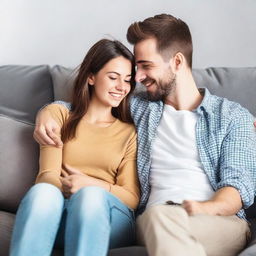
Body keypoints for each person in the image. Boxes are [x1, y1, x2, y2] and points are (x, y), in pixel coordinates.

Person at [33, 14, 256, 256]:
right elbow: (87, 106)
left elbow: (238, 185)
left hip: (218, 222)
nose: (137, 77)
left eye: (146, 66)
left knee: (163, 219)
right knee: (159, 217)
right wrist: (48, 111)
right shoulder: (140, 107)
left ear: (177, 62)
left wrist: (204, 208)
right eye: (137, 67)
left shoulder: (232, 116)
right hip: (154, 219)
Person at [10, 39, 140, 256]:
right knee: (42, 192)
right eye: (113, 77)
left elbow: (131, 197)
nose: (121, 87)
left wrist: (91, 185)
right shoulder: (59, 116)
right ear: (91, 77)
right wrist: (71, 188)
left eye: (127, 80)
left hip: (109, 216)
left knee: (89, 197)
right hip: (60, 212)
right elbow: (47, 177)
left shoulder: (129, 133)